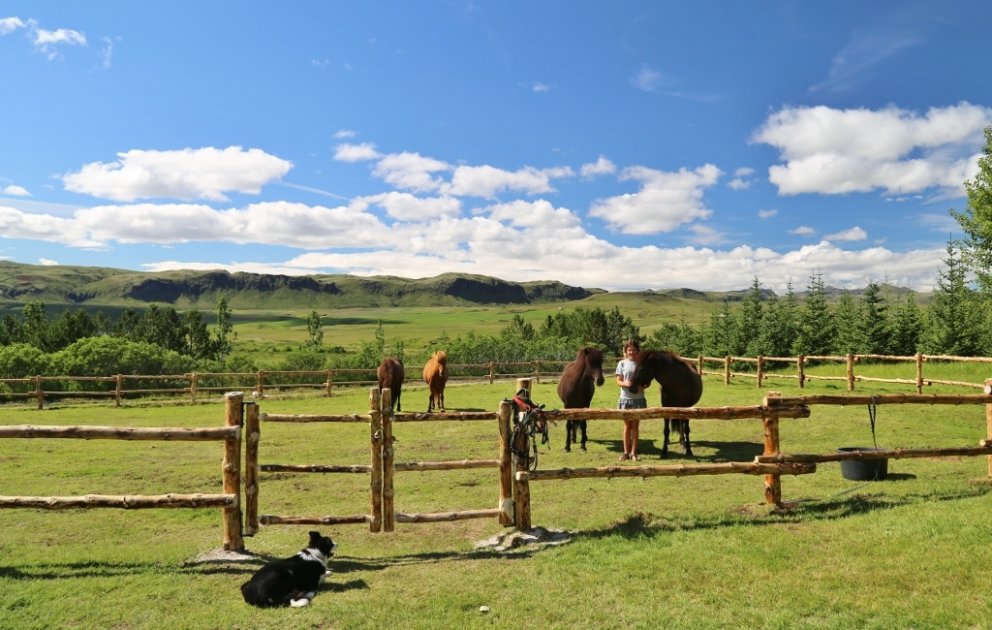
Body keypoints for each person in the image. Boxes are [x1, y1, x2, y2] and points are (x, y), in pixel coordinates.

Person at [615, 339, 647, 460]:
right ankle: (625, 452)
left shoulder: (641, 364)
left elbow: (647, 382)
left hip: (638, 399)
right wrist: (625, 383)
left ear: (637, 350)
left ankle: (634, 453)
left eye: (633, 349)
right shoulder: (622, 363)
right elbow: (618, 381)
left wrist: (642, 386)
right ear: (626, 351)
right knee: (627, 426)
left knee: (635, 426)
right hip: (625, 399)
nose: (631, 352)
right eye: (629, 350)